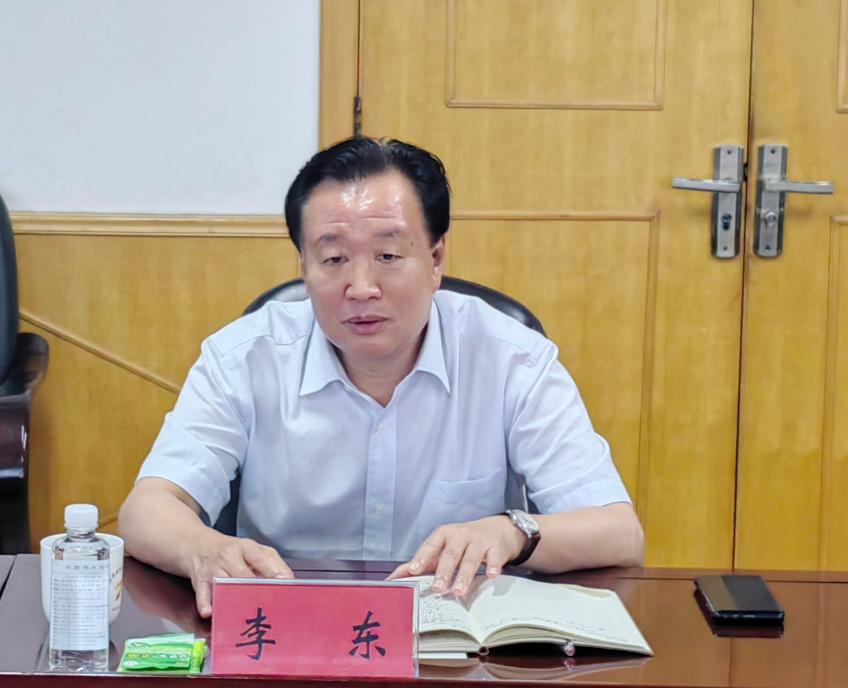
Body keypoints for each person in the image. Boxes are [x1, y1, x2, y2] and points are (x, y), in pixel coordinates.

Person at [119, 137, 643, 618]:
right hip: (288, 634)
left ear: (435, 259)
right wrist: (203, 547)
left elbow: (618, 532)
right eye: (333, 258)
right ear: (303, 265)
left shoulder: (511, 360)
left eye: (389, 256)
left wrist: (511, 532)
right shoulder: (244, 357)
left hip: (455, 644)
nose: (362, 287)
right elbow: (148, 509)